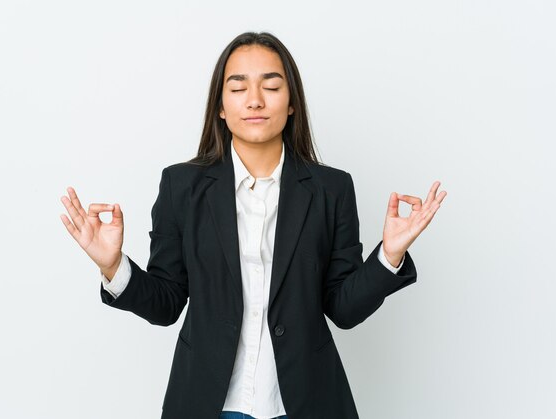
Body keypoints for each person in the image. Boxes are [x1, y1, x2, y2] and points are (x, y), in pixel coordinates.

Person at [60, 31, 446, 419]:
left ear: (292, 103)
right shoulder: (182, 186)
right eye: (238, 87)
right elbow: (167, 303)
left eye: (272, 86)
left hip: (304, 403)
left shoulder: (332, 189)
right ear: (221, 107)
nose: (255, 100)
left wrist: (390, 255)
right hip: (209, 404)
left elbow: (343, 309)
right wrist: (112, 266)